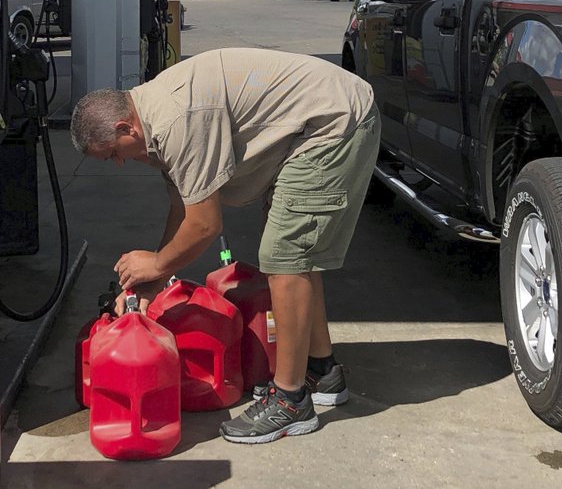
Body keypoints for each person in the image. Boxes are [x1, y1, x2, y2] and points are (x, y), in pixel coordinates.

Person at [69, 48, 380, 444]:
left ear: (125, 127)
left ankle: (291, 401)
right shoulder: (153, 119)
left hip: (334, 123)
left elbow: (204, 224)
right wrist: (150, 282)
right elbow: (184, 209)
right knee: (294, 253)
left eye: (113, 153)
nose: (119, 163)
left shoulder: (176, 120)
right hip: (317, 120)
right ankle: (321, 370)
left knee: (285, 257)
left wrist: (158, 264)